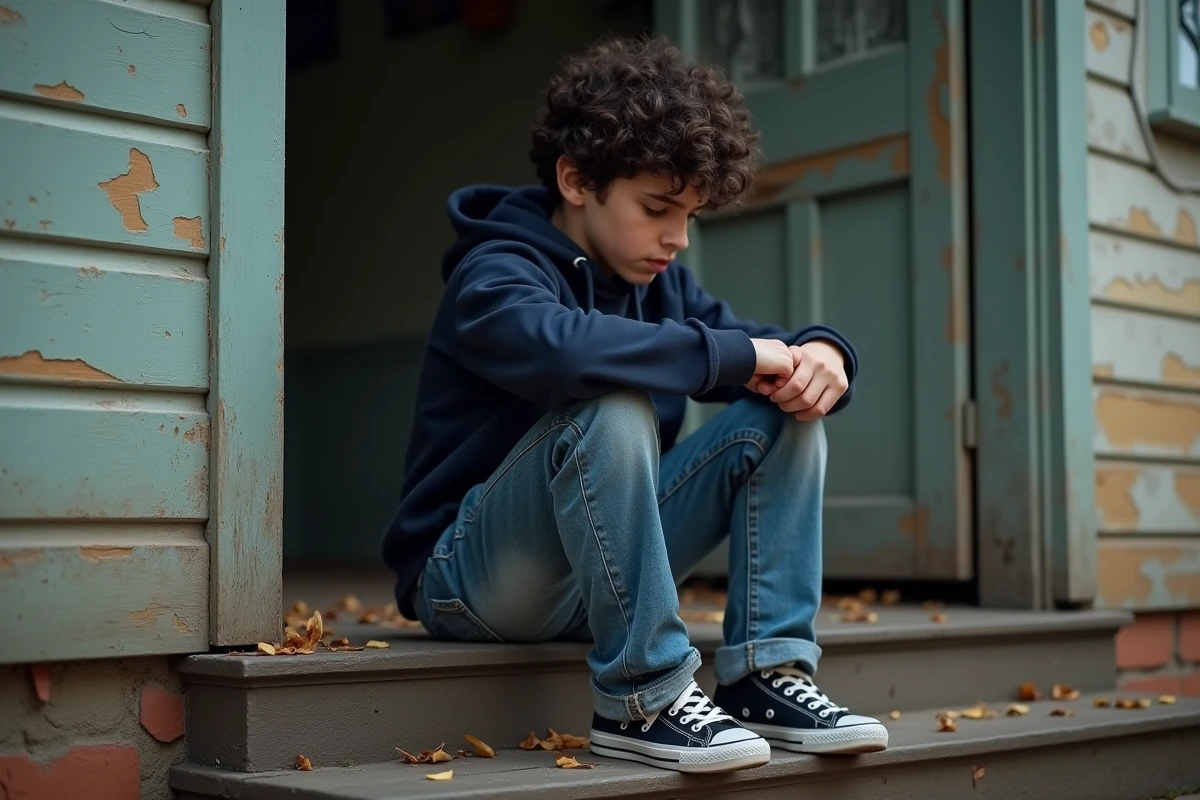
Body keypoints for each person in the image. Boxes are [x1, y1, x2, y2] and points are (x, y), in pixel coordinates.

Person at [382, 34, 888, 774]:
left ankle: (763, 675)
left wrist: (823, 352)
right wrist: (733, 355)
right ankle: (643, 698)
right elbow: (564, 348)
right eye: (657, 209)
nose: (678, 239)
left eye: (690, 215)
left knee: (785, 412)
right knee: (612, 401)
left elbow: (760, 346)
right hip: (473, 581)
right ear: (577, 178)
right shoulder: (493, 273)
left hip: (598, 573)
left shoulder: (659, 286)